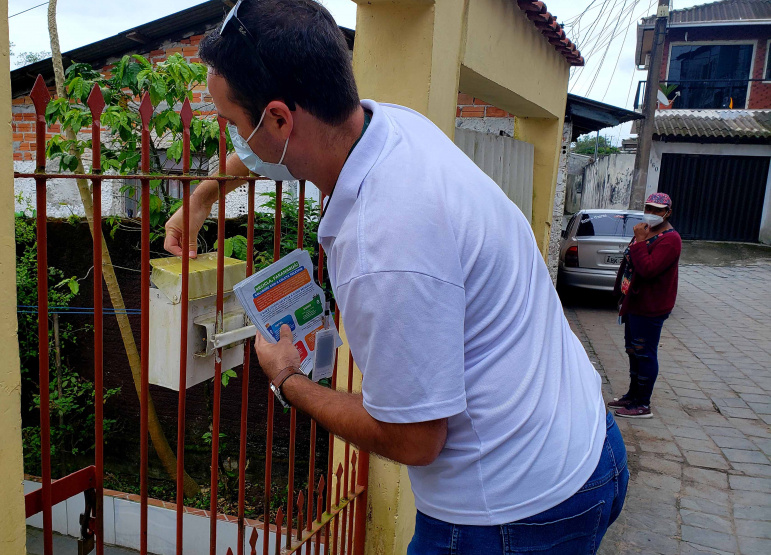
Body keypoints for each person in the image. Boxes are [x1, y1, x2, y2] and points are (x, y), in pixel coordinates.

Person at [165, 1, 628, 552]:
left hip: (511, 514)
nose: (236, 141)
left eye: (235, 125)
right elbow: (263, 151)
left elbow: (415, 440)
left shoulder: (383, 245)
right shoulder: (390, 125)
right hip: (587, 442)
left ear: (281, 119)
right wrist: (202, 196)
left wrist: (288, 381)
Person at [609, 193, 681, 419]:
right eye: (648, 208)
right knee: (632, 351)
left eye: (657, 210)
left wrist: (640, 241)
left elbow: (648, 270)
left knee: (645, 353)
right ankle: (632, 395)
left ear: (667, 212)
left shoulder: (670, 239)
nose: (651, 213)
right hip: (633, 302)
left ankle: (643, 404)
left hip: (650, 306)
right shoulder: (646, 230)